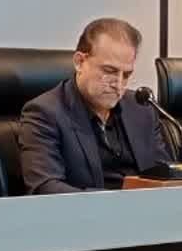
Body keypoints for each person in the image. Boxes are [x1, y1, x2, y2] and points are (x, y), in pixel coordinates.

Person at [18, 18, 173, 193]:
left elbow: (166, 176)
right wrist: (114, 203)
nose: (118, 84)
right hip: (86, 209)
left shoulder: (141, 109)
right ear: (79, 62)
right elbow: (45, 186)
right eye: (109, 71)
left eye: (126, 75)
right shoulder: (45, 113)